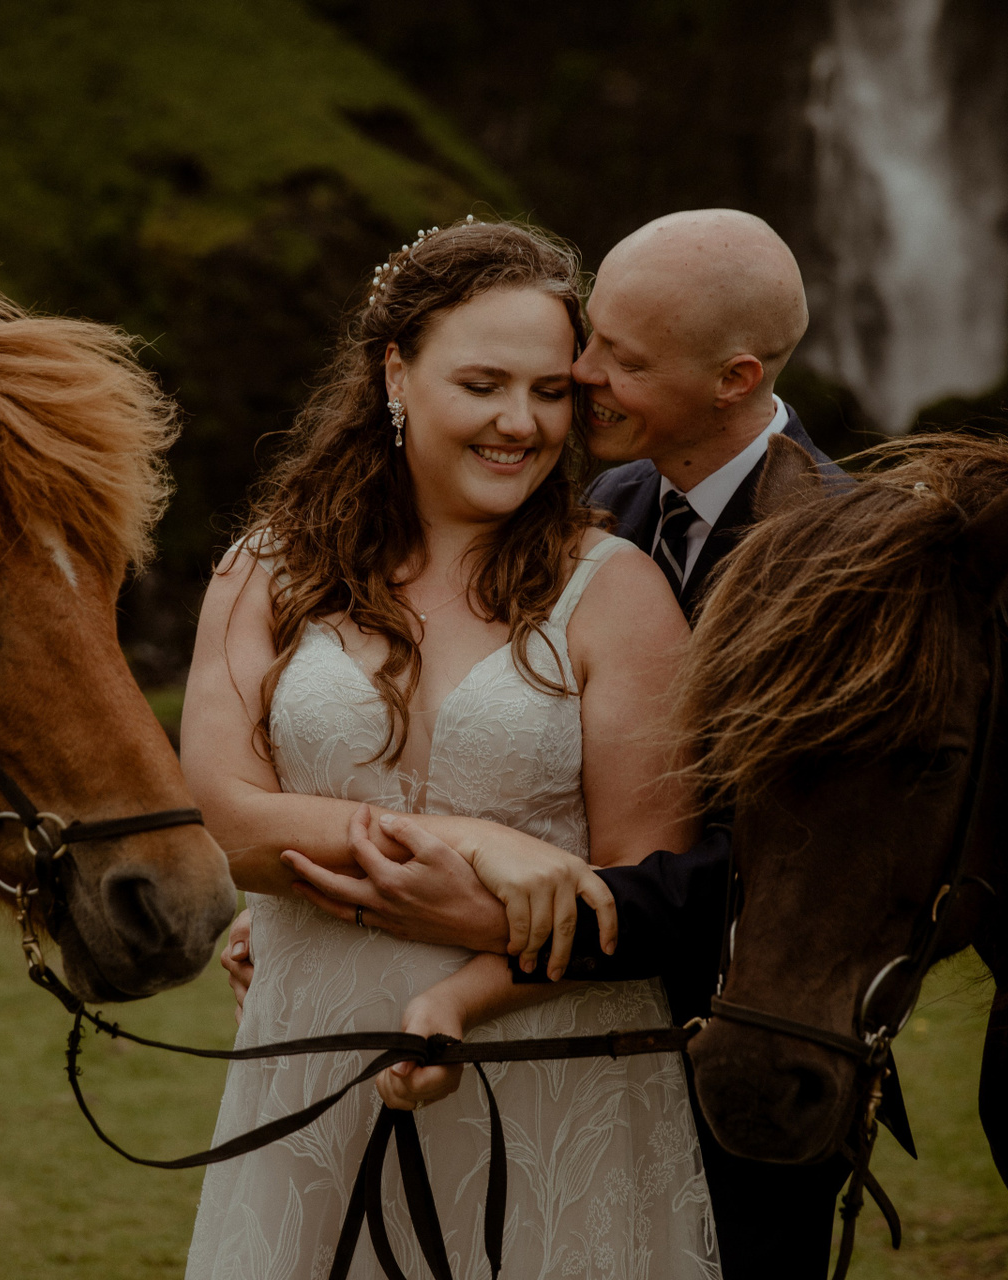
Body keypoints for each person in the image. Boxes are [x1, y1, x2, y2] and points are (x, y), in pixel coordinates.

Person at [270, 210, 898, 1279]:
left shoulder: (850, 563)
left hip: (747, 1056)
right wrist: (324, 911)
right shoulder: (609, 496)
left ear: (735, 378)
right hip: (565, 1041)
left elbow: (797, 864)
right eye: (593, 334)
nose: (581, 370)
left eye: (624, 358)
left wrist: (486, 921)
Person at [181, 217, 722, 1278]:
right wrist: (480, 841)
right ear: (397, 371)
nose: (520, 422)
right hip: (313, 1069)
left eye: (550, 391)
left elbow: (639, 882)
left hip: (556, 1075)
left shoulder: (619, 591)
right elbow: (227, 822)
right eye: (483, 384)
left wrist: (463, 997)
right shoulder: (265, 571)